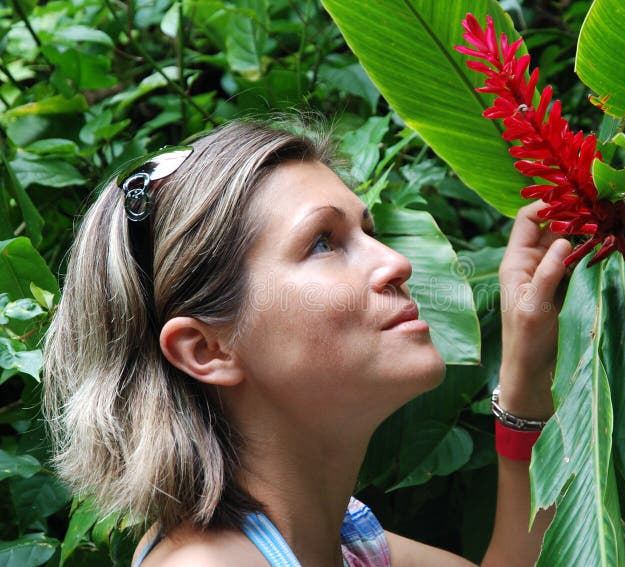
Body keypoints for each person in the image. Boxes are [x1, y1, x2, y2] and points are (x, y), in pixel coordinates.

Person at [43, 119, 572, 566]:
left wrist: (526, 381)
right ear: (208, 349)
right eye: (323, 242)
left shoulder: (348, 542)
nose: (396, 263)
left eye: (368, 231)